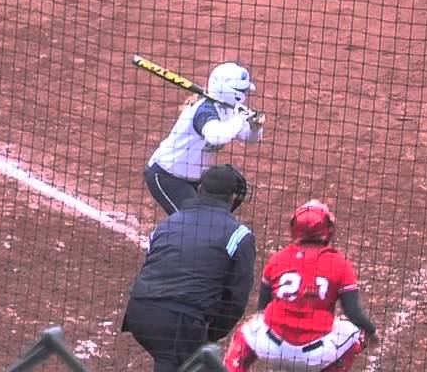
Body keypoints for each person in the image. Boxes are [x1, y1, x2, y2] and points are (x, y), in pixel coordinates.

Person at [122, 164, 258, 372]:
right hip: (179, 322)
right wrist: (210, 334)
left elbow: (152, 265)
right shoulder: (239, 235)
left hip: (138, 313)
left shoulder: (167, 224)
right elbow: (236, 298)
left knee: (175, 359)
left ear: (200, 190)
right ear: (232, 199)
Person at [222, 200, 378, 372]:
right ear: (328, 230)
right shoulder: (340, 263)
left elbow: (262, 308)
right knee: (357, 331)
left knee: (245, 332)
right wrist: (372, 331)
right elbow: (353, 312)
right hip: (317, 356)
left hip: (272, 349)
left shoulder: (279, 258)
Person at [146, 62, 265, 215]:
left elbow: (249, 137)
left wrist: (255, 127)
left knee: (205, 222)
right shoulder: (204, 110)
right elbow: (216, 136)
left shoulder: (228, 109)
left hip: (196, 180)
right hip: (168, 176)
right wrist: (240, 118)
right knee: (192, 223)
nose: (245, 94)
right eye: (242, 90)